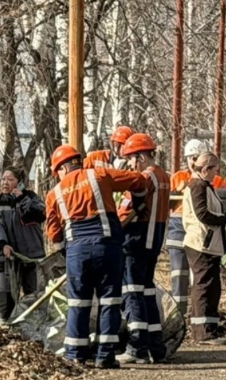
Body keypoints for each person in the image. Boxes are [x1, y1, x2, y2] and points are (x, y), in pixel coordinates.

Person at [45, 145, 149, 368]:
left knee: (78, 303)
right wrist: (139, 202)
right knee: (109, 301)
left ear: (61, 169)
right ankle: (104, 356)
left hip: (76, 252)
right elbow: (138, 180)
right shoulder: (99, 174)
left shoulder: (54, 194)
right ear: (77, 161)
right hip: (107, 246)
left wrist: (66, 251)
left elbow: (54, 233)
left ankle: (75, 355)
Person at [115, 134, 171, 364]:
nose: (130, 164)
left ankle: (137, 347)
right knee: (147, 291)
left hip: (137, 239)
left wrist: (112, 228)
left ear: (140, 156)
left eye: (131, 159)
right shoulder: (164, 177)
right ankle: (156, 347)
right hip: (154, 239)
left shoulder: (144, 179)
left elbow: (128, 209)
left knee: (132, 291)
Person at [183, 151, 226, 345]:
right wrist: (225, 220)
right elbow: (203, 214)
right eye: (215, 170)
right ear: (205, 169)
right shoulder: (198, 186)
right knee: (204, 286)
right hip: (201, 243)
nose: (217, 174)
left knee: (211, 286)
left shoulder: (202, 185)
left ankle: (209, 329)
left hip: (207, 243)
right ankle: (203, 332)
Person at [0, 167, 46, 324]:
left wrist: (21, 200)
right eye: (3, 179)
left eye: (10, 179)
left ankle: (33, 327)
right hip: (6, 258)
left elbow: (39, 215)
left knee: (34, 295)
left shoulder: (31, 198)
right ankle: (3, 328)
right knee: (6, 297)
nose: (5, 182)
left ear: (19, 183)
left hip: (31, 256)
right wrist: (3, 244)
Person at [166, 138, 208, 319]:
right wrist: (177, 191)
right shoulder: (177, 178)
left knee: (197, 276)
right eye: (190, 157)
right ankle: (179, 316)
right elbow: (167, 201)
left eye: (196, 157)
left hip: (197, 230)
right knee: (179, 274)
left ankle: (197, 315)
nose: (192, 161)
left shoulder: (209, 179)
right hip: (177, 229)